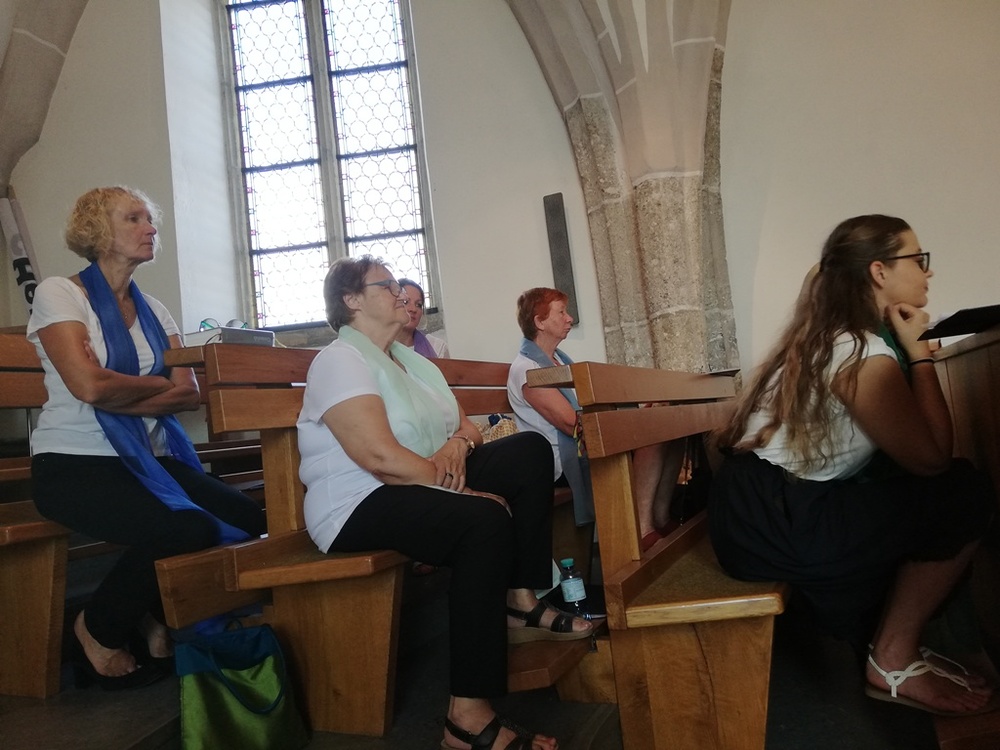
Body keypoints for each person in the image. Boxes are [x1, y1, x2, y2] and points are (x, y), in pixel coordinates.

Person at [297, 256, 593, 750]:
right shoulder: (340, 360)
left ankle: (520, 600)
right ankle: (466, 719)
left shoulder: (412, 361)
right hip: (357, 501)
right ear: (351, 300)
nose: (400, 293)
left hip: (420, 478)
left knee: (528, 451)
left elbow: (468, 428)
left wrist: (458, 445)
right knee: (483, 520)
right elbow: (379, 458)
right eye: (387, 285)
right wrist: (460, 489)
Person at [709, 214, 996, 716]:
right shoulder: (858, 351)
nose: (927, 272)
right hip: (776, 520)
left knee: (941, 491)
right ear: (879, 272)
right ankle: (892, 658)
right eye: (918, 259)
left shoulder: (835, 339)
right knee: (961, 492)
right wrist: (919, 353)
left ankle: (898, 646)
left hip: (758, 511)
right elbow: (931, 460)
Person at [26, 187, 266, 690]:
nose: (151, 228)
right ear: (97, 229)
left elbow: (188, 393)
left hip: (151, 460)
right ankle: (97, 629)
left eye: (149, 219)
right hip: (74, 464)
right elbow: (88, 387)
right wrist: (151, 386)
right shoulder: (59, 294)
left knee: (246, 518)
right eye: (133, 218)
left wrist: (119, 390)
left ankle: (155, 612)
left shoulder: (154, 309)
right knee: (185, 528)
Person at [507, 287, 684, 549]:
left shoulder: (559, 361)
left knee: (668, 429)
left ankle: (659, 515)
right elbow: (571, 424)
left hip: (581, 442)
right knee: (652, 435)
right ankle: (640, 527)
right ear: (539, 322)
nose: (569, 318)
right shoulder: (527, 369)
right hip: (560, 461)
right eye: (561, 312)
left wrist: (636, 416)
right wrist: (633, 424)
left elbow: (588, 412)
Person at [395, 277, 449, 358]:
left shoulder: (437, 348)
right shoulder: (379, 347)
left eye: (418, 305)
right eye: (405, 302)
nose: (413, 309)